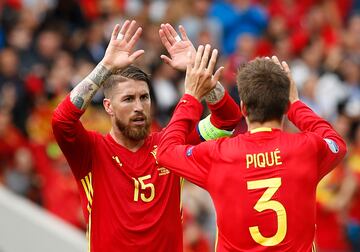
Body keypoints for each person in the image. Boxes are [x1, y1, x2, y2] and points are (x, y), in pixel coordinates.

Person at [52, 20, 241, 251]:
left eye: (144, 97)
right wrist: (105, 68)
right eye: (128, 99)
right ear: (109, 106)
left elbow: (228, 120)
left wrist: (200, 73)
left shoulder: (170, 145)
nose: (139, 106)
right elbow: (61, 121)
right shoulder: (91, 150)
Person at [157, 51, 347, 251]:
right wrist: (296, 105)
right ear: (284, 107)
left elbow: (165, 150)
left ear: (243, 108)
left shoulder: (218, 155)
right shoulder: (307, 148)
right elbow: (336, 142)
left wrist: (191, 96)